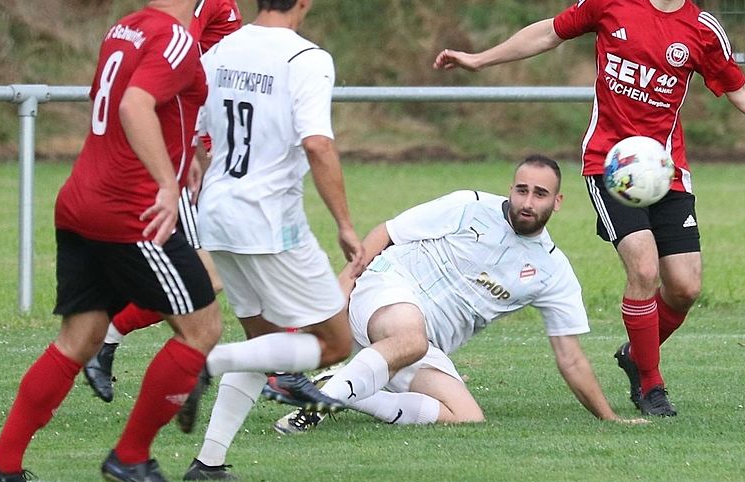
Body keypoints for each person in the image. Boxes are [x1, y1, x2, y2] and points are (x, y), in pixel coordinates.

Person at [433, 0, 745, 417]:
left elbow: (738, 88)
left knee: (686, 286)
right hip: (610, 164)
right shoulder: (610, 2)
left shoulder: (701, 31)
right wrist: (479, 59)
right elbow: (548, 32)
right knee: (644, 268)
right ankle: (652, 385)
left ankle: (635, 355)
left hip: (665, 169)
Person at [0, 0, 220, 482]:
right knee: (202, 327)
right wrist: (164, 180)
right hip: (129, 212)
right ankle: (131, 457)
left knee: (79, 336)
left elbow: (136, 106)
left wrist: (187, 158)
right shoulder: (177, 39)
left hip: (79, 200)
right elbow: (135, 104)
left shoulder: (123, 29)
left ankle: (2, 465)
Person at [274, 155, 644, 435]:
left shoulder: (552, 271)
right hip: (387, 288)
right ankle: (322, 402)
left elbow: (571, 358)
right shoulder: (469, 205)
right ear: (511, 188)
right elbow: (385, 232)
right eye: (521, 189)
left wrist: (609, 418)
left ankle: (344, 390)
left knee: (465, 417)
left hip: (417, 346)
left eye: (540, 194)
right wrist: (344, 284)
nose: (527, 201)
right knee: (410, 337)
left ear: (557, 202)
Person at [176, 0, 366, 481]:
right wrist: (346, 226)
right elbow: (317, 144)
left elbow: (196, 132)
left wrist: (195, 169)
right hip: (269, 220)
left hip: (217, 213)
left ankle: (208, 461)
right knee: (333, 343)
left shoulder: (219, 52)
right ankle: (204, 364)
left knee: (264, 346)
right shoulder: (307, 59)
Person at [83, 0, 268, 404]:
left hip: (197, 153)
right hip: (182, 160)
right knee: (205, 277)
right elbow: (172, 60)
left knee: (210, 271)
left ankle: (115, 343)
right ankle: (258, 367)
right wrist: (189, 145)